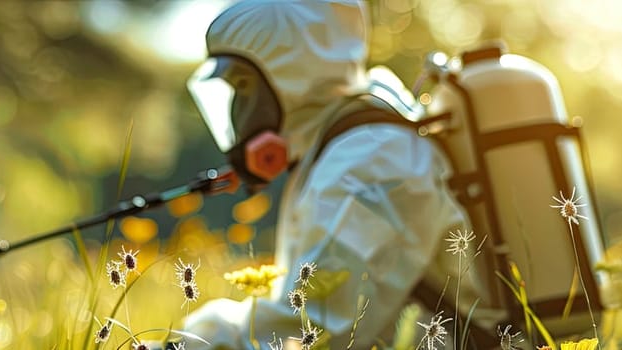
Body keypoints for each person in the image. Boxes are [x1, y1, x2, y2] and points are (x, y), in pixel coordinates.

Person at [182, 0, 493, 348]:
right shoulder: (348, 143)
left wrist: (190, 343)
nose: (239, 108)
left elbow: (308, 331)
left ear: (291, 73)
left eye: (243, 84)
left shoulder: (366, 163)